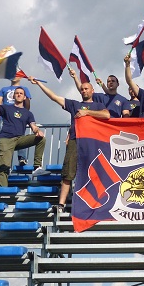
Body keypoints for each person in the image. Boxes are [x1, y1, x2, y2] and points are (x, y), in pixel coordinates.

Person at [30, 76, 110, 209]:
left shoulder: (98, 106)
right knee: (68, 172)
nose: (84, 91)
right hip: (75, 140)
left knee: (93, 172)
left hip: (92, 142)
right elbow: (54, 97)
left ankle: (96, 203)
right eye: (82, 89)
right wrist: (39, 83)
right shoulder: (74, 105)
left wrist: (86, 112)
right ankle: (61, 204)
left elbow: (106, 115)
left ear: (92, 91)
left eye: (86, 89)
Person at [0, 85, 46, 187]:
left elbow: (34, 126)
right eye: (17, 93)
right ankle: (3, 191)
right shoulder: (6, 108)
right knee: (4, 167)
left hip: (20, 139)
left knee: (41, 139)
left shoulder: (28, 113)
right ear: (13, 96)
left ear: (24, 97)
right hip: (6, 139)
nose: (19, 95)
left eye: (21, 93)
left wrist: (38, 131)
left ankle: (37, 167)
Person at [0, 71, 32, 166]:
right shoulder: (4, 89)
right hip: (5, 116)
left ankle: (22, 158)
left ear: (21, 77)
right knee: (2, 136)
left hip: (19, 116)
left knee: (20, 136)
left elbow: (27, 104)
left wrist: (25, 114)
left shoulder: (24, 89)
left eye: (17, 74)